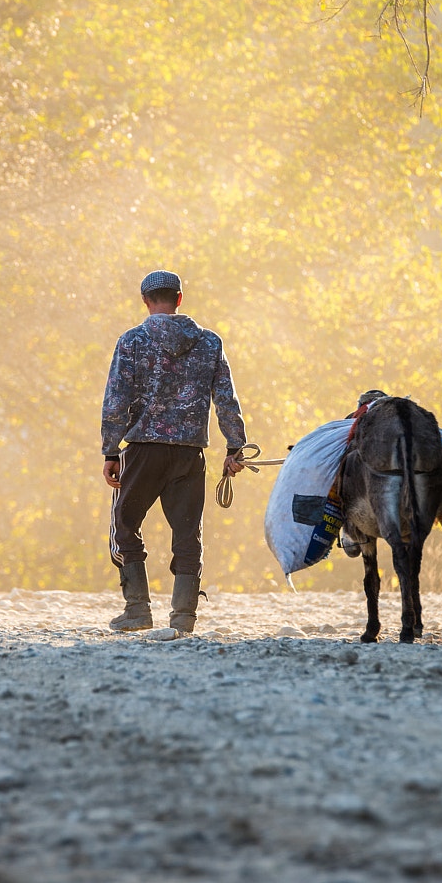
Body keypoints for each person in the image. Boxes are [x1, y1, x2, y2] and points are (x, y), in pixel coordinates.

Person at [100, 270, 247, 633]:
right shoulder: (210, 343)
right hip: (189, 454)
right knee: (187, 533)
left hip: (143, 451)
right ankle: (183, 617)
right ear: (179, 298)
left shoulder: (131, 341)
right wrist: (235, 446)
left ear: (146, 301)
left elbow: (116, 399)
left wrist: (110, 450)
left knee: (125, 524)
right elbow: (226, 399)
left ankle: (137, 610)